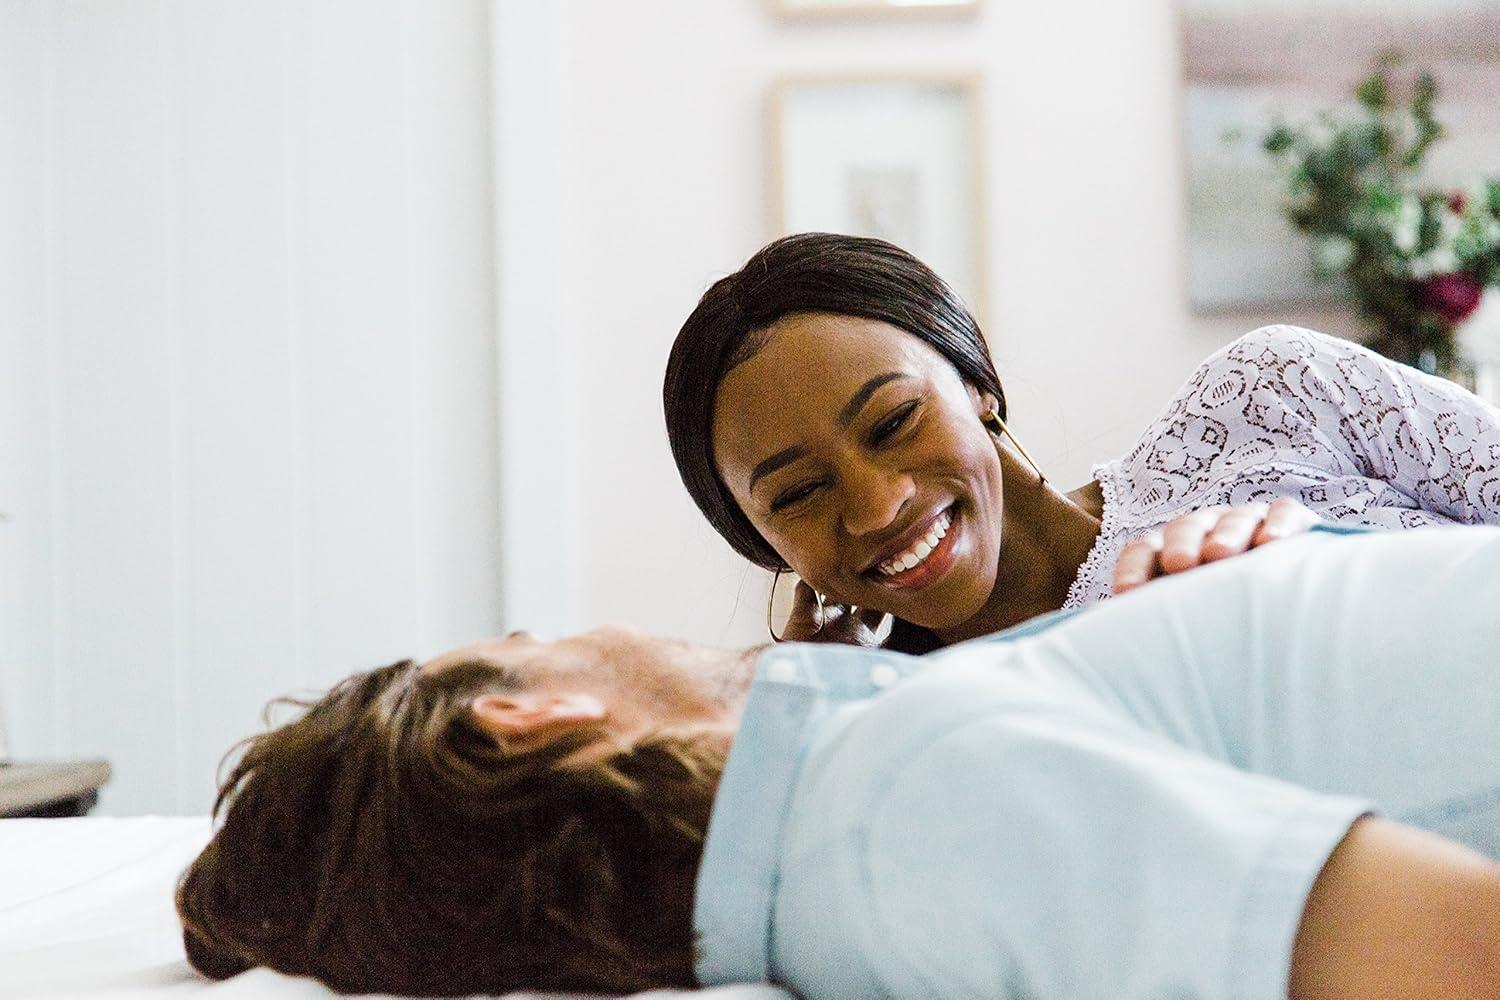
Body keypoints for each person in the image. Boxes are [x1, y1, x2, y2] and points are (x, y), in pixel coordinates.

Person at [177, 525, 1500, 999]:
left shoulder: (857, 828)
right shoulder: (902, 807)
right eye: (532, 640)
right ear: (534, 716)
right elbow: (1462, 952)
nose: (589, 624)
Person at [663, 233, 1500, 651]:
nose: (878, 505)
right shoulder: (909, 747)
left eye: (893, 423)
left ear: (976, 383)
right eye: (798, 494)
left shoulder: (1271, 392)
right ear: (764, 546)